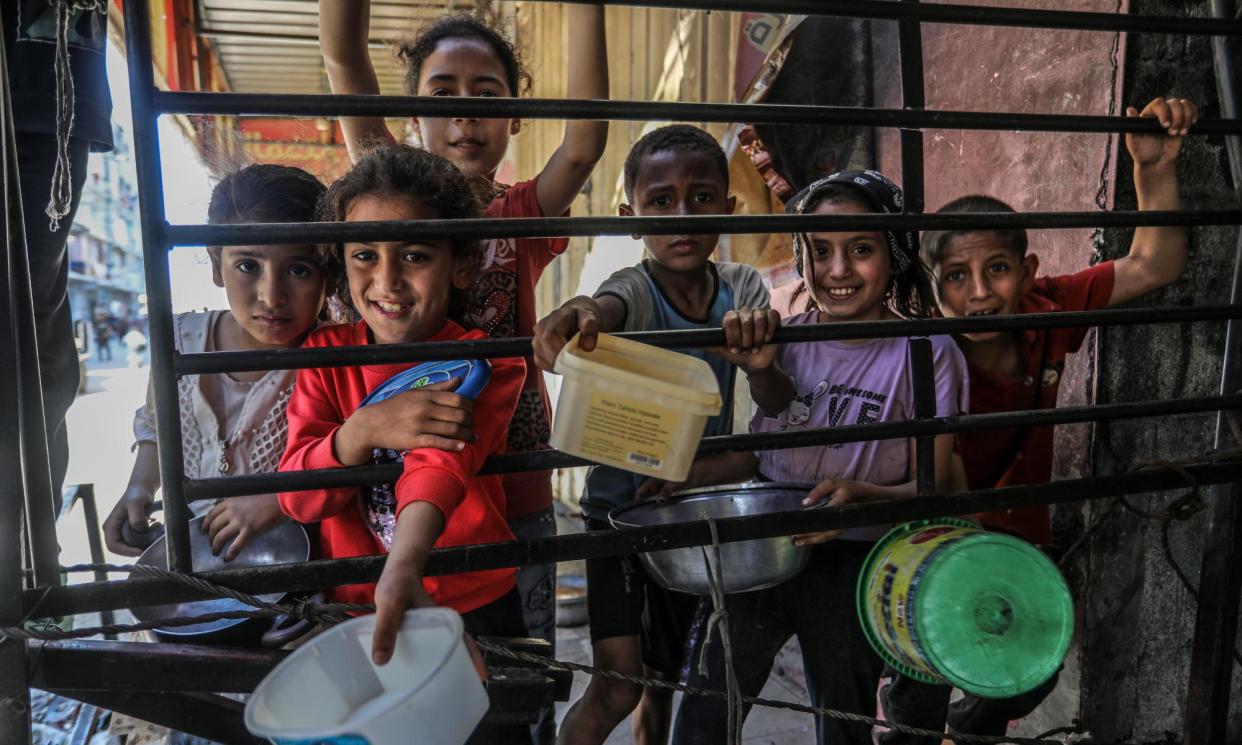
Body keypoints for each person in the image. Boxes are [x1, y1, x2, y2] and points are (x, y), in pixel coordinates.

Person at [875, 97, 1198, 745]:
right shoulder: (927, 356)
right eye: (957, 276)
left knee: (1032, 668)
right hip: (941, 538)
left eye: (996, 269)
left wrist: (1153, 169)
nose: (980, 292)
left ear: (1027, 272)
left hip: (1021, 534)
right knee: (924, 681)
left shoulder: (1048, 308)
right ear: (934, 290)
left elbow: (1154, 264)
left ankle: (971, 730)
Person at [319, 11, 608, 731]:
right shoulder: (396, 200)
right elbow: (343, 62)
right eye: (442, 95)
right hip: (410, 468)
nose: (466, 116)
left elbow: (585, 141)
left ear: (513, 116)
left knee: (517, 671)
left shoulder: (520, 213)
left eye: (487, 95)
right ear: (413, 114)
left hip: (514, 474)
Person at [665, 170, 968, 745]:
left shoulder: (929, 354)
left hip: (856, 559)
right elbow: (765, 442)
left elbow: (932, 487)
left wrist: (862, 499)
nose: (837, 271)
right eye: (820, 251)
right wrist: (687, 476)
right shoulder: (783, 335)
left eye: (860, 250)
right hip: (762, 544)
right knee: (706, 712)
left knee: (844, 721)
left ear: (894, 255)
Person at [276, 145, 529, 745]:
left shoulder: (486, 361)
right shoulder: (325, 358)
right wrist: (360, 432)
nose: (386, 282)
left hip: (474, 600)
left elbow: (440, 457)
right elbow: (298, 498)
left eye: (414, 255)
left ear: (460, 265)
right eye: (365, 254)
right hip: (359, 610)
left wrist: (405, 562)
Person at [532, 124, 773, 745]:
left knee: (671, 677)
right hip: (620, 516)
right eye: (660, 201)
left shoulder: (743, 290)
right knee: (621, 684)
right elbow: (606, 308)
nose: (683, 215)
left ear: (730, 209)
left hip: (694, 509)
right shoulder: (636, 289)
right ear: (630, 219)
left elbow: (773, 385)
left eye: (701, 197)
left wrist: (758, 337)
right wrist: (580, 312)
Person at [102, 164, 334, 560]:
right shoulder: (178, 343)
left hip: (303, 560)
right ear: (215, 265)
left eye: (298, 270)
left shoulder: (335, 359)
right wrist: (139, 488)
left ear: (329, 276)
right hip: (199, 552)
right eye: (248, 266)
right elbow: (160, 427)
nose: (271, 295)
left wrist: (281, 501)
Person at [4, 0, 112, 511]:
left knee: (31, 331)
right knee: (32, 330)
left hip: (44, 91)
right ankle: (27, 537)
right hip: (46, 86)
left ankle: (27, 535)